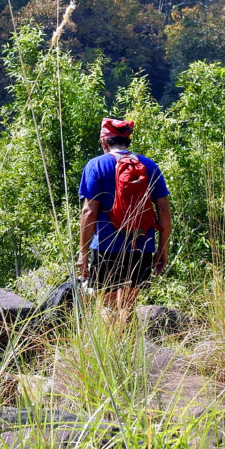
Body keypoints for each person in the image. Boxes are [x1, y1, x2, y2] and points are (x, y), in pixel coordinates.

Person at [77, 118, 171, 320]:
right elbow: (163, 210)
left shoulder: (96, 165)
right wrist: (162, 249)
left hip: (105, 247)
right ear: (128, 140)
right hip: (141, 246)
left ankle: (111, 351)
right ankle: (128, 349)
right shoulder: (149, 165)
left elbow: (88, 212)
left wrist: (83, 253)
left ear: (104, 142)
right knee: (128, 306)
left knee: (107, 305)